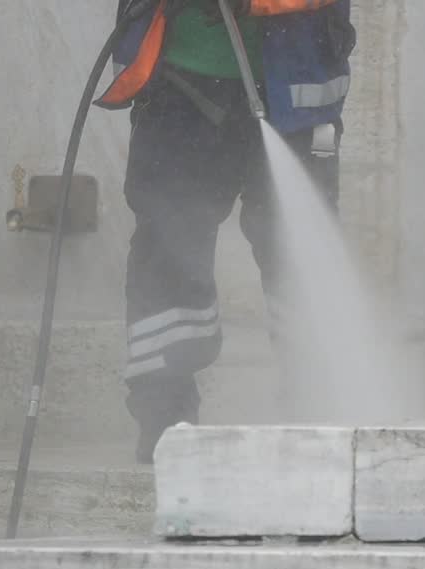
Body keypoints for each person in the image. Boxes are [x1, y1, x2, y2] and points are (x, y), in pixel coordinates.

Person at [96, 0, 355, 462]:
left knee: (299, 256)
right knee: (167, 253)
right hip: (179, 86)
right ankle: (164, 423)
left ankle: (317, 411)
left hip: (292, 96)